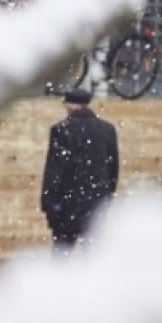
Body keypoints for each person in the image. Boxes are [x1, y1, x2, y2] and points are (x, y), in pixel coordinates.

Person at [40, 88, 119, 253]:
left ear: (71, 106)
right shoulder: (107, 130)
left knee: (62, 256)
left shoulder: (62, 130)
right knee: (92, 257)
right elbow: (113, 169)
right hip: (96, 204)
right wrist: (106, 197)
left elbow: (54, 170)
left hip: (67, 206)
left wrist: (49, 203)